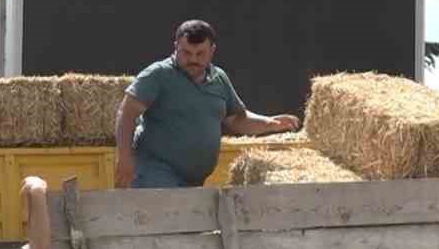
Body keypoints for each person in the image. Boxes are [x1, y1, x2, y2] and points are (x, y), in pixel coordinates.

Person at [115, 19, 301, 189]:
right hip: (155, 172)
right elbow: (126, 114)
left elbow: (237, 119)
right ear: (175, 47)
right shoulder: (158, 75)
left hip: (194, 180)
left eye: (200, 53)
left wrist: (270, 123)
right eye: (186, 53)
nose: (193, 59)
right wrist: (125, 158)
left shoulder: (219, 78)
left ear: (212, 50)